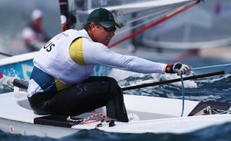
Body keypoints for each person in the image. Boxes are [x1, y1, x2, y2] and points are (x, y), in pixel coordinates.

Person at [26, 8, 192, 122]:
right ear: (93, 27)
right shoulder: (88, 47)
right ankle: (119, 130)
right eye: (108, 29)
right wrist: (166, 68)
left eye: (114, 28)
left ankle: (116, 118)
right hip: (45, 103)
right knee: (110, 90)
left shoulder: (71, 34)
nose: (112, 33)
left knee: (110, 83)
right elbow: (127, 62)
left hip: (41, 95)